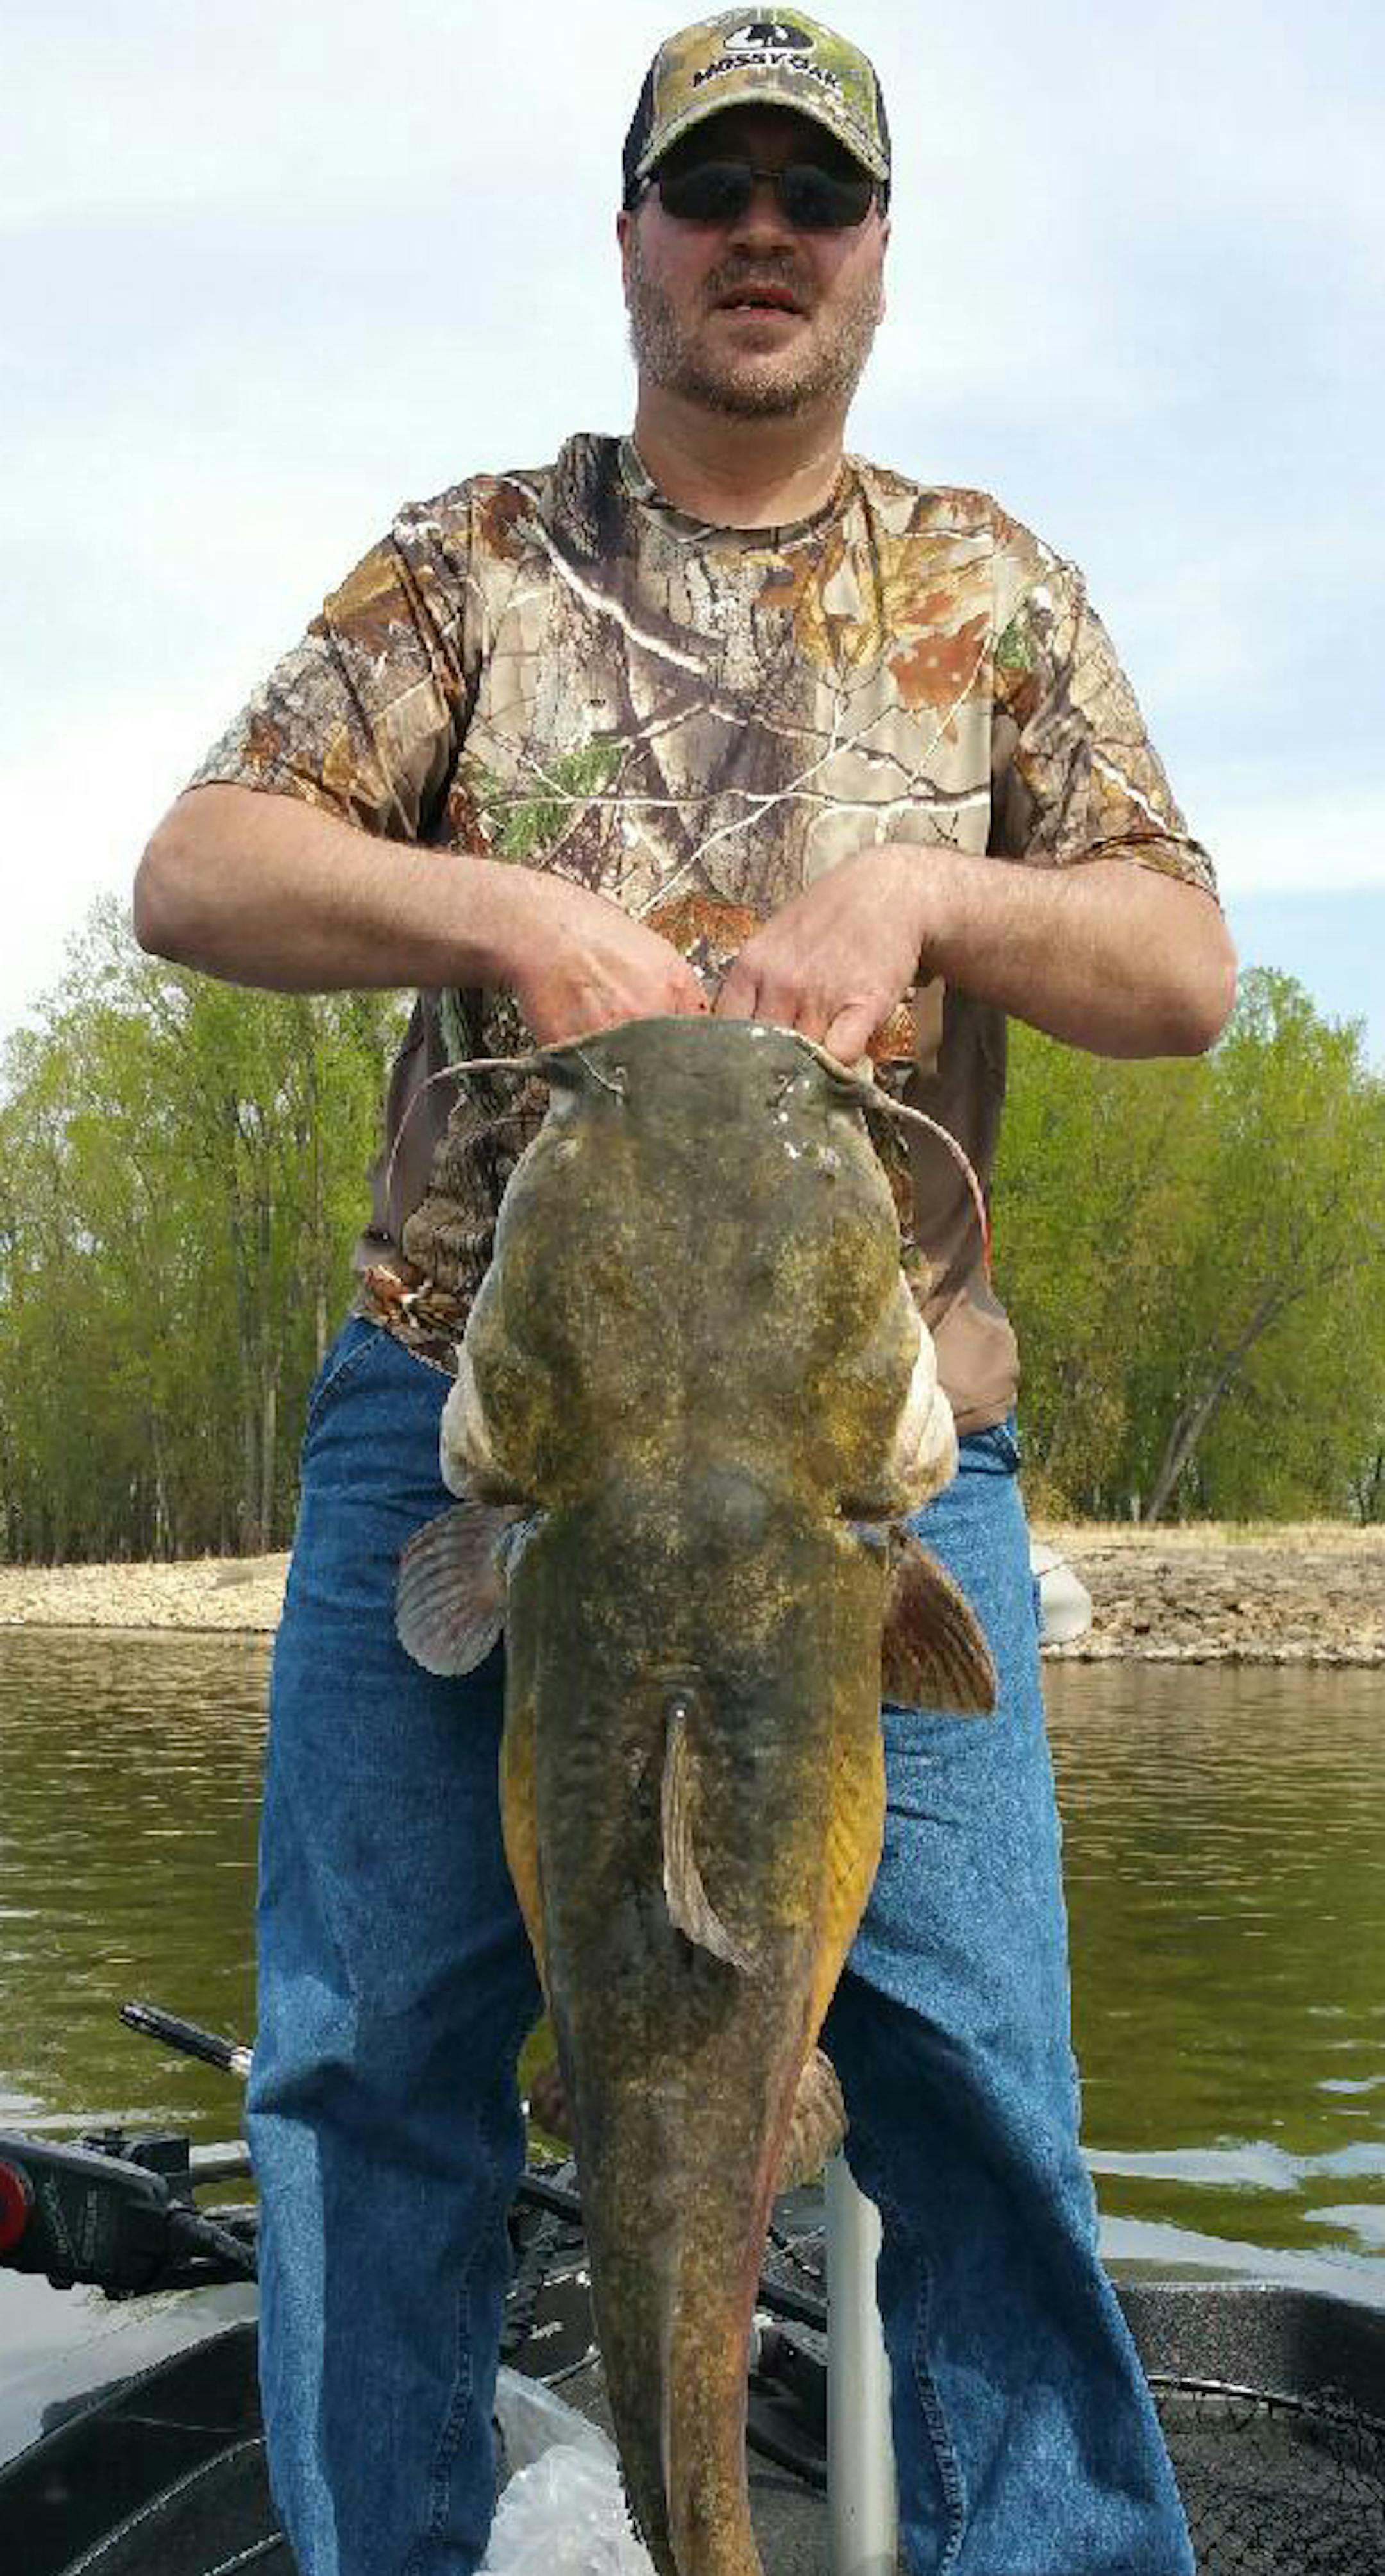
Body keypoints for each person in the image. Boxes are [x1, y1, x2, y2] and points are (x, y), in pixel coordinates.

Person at [135, 13, 1236, 2572]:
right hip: (475, 1447)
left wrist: (935, 891)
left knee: (978, 2085)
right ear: (629, 233)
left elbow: (1182, 970)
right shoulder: (472, 565)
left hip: (872, 1486)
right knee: (366, 2069)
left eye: (812, 195)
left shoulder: (987, 590)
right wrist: (506, 909)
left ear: (876, 251)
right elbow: (198, 873)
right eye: (711, 185)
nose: (762, 232)